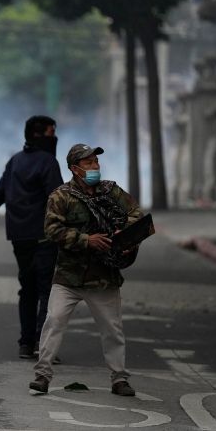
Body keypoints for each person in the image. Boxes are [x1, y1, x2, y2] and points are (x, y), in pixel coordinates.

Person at [29, 143, 142, 397]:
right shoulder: (61, 196)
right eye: (89, 163)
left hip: (103, 276)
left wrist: (127, 237)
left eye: (96, 162)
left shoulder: (111, 191)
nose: (95, 167)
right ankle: (42, 376)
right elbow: (52, 230)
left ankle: (119, 379)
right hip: (69, 275)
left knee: (112, 329)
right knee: (54, 321)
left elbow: (136, 213)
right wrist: (85, 240)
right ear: (75, 168)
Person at [0, 116, 63, 359]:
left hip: (19, 238)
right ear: (38, 134)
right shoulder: (48, 162)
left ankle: (25, 343)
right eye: (52, 132)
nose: (54, 136)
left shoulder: (15, 161)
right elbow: (59, 200)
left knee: (27, 289)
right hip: (43, 237)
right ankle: (42, 346)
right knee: (45, 291)